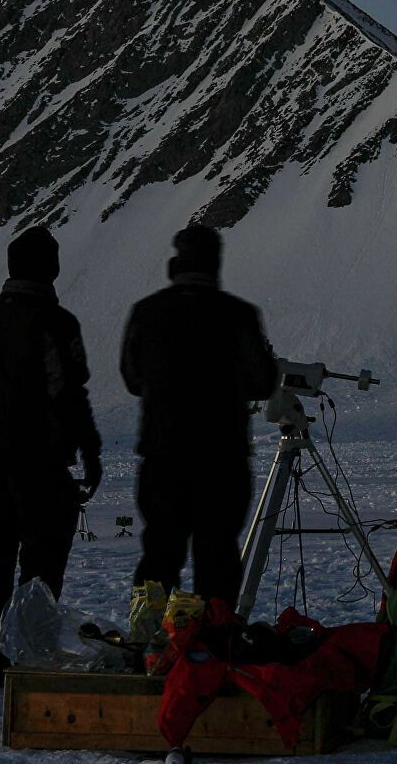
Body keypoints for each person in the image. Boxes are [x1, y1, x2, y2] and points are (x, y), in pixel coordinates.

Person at [0, 225, 102, 690]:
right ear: (49, 268)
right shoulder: (55, 322)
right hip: (42, 466)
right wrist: (89, 451)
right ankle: (31, 653)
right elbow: (69, 395)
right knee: (42, 561)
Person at [121, 224, 278, 609]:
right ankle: (214, 647)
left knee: (159, 555)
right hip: (222, 460)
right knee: (218, 558)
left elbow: (132, 376)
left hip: (163, 456)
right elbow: (262, 381)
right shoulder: (238, 314)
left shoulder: (148, 312)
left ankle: (150, 644)